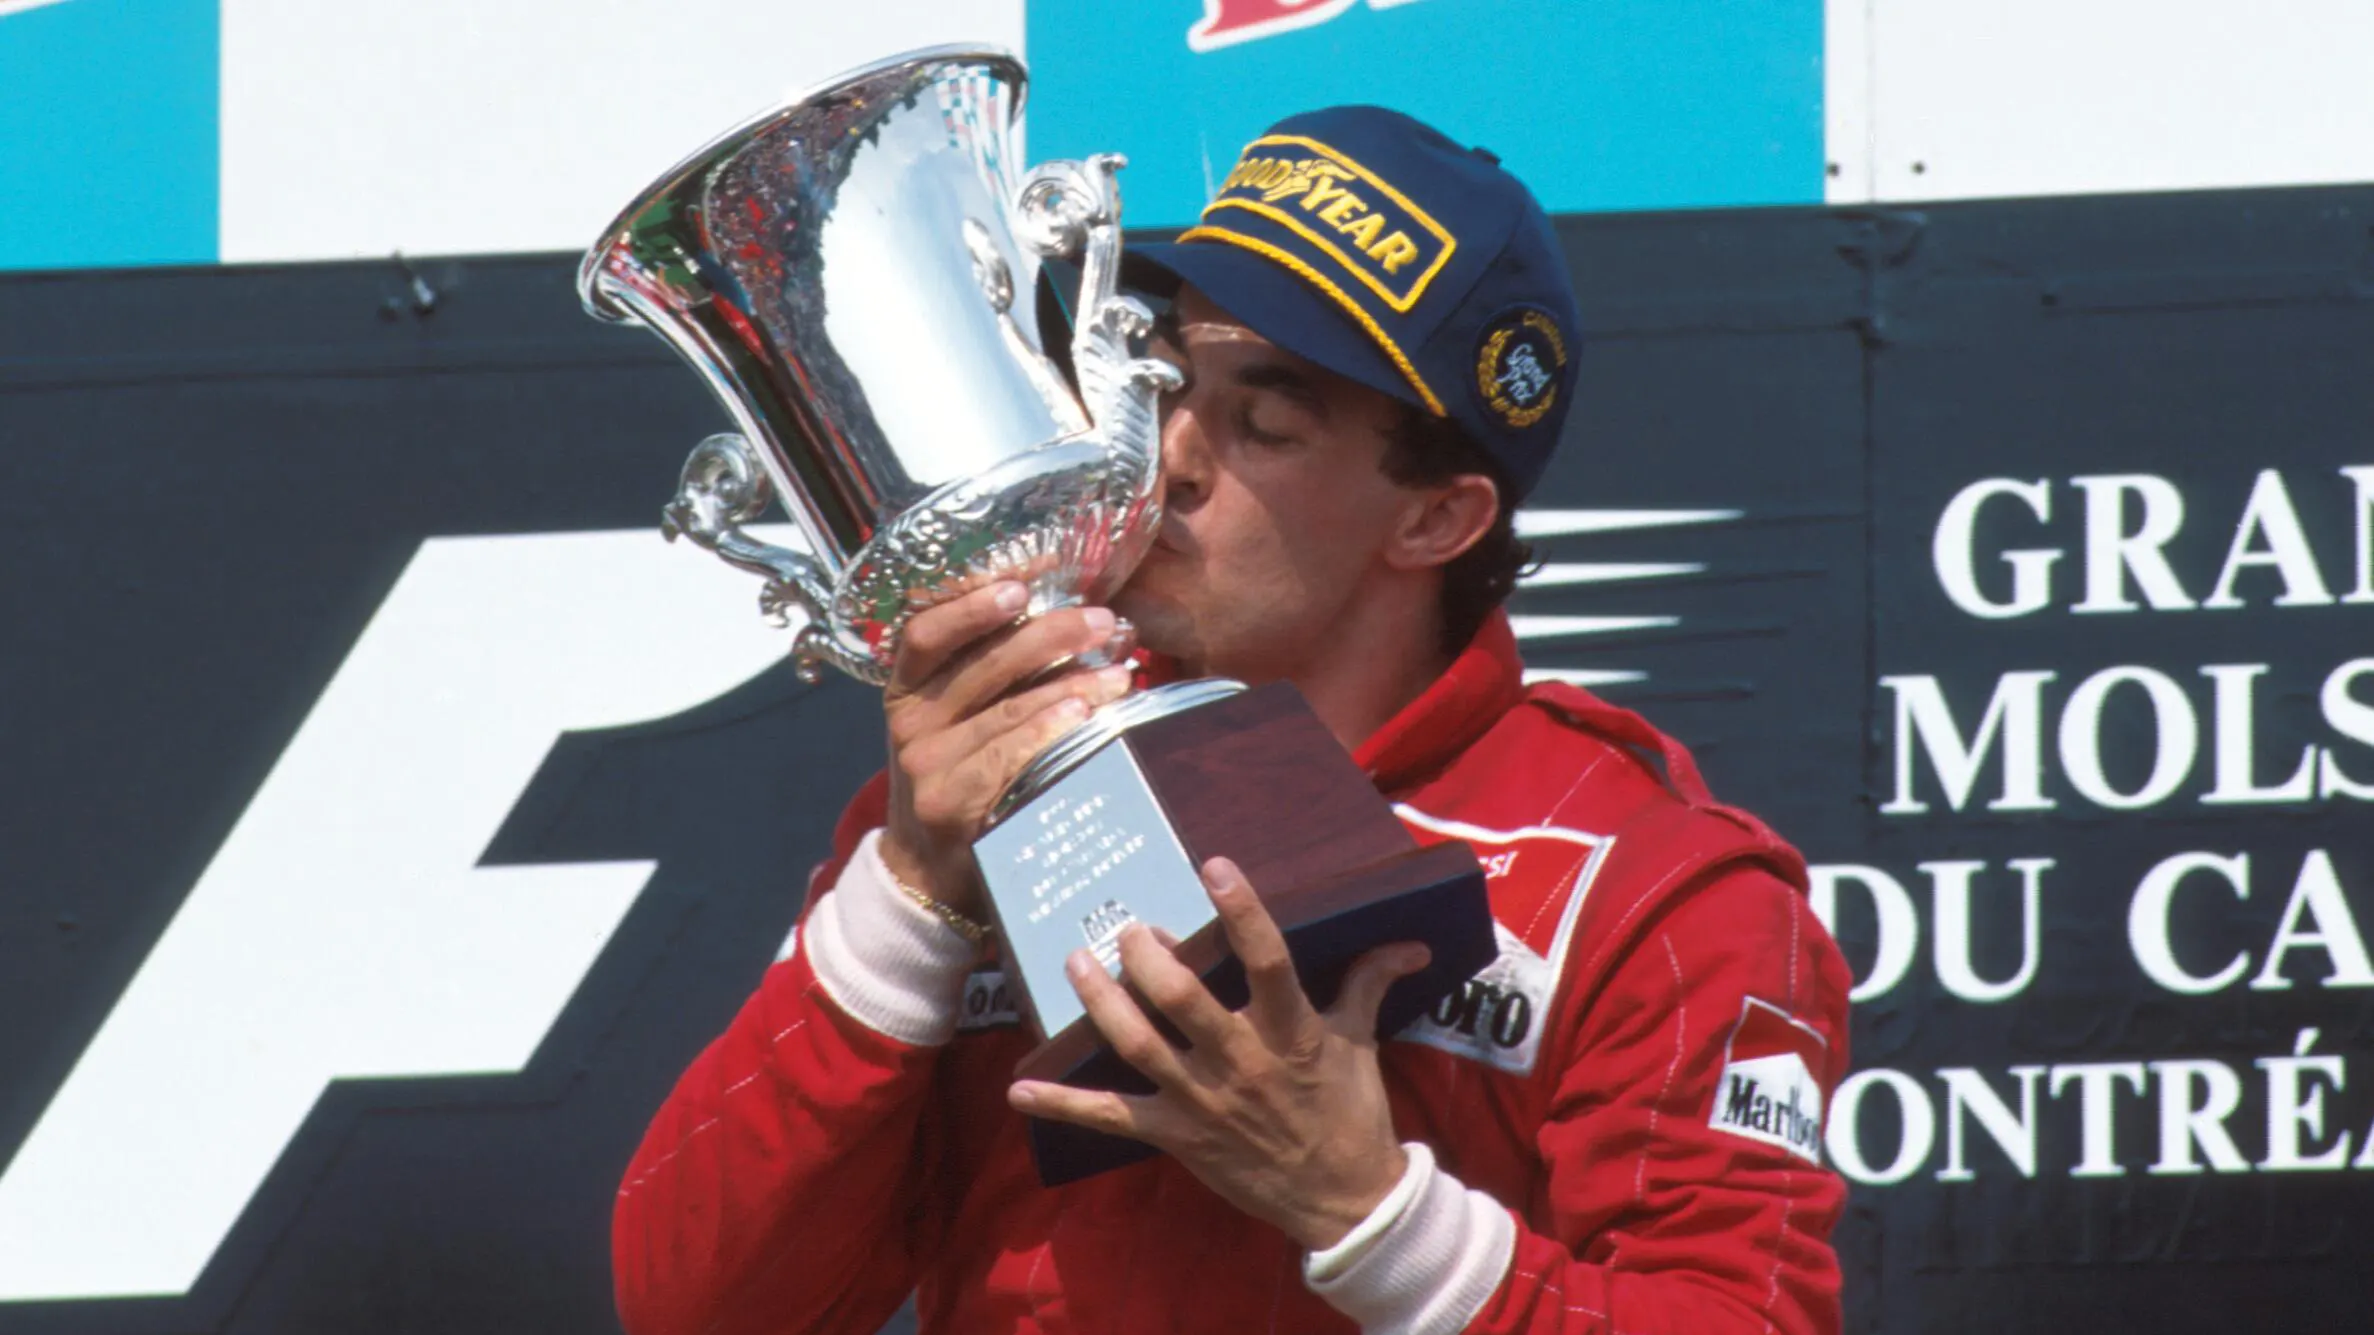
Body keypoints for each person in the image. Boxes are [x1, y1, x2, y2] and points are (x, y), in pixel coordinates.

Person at [611, 106, 1852, 1335]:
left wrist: (1367, 1213)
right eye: (1159, 379)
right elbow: (694, 1305)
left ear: (1436, 521)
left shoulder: (1658, 899)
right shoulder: (984, 780)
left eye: (1266, 422)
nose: (1170, 456)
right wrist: (909, 886)